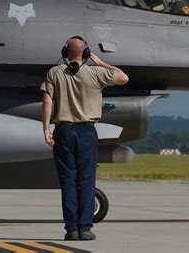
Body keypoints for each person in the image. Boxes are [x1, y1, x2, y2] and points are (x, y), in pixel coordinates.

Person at [41, 36, 129, 241]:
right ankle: (85, 229)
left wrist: (46, 129)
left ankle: (71, 229)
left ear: (66, 52)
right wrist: (100, 62)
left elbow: (47, 100)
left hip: (63, 132)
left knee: (68, 181)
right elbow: (123, 77)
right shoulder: (96, 73)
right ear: (86, 53)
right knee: (86, 181)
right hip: (87, 132)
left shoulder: (54, 72)